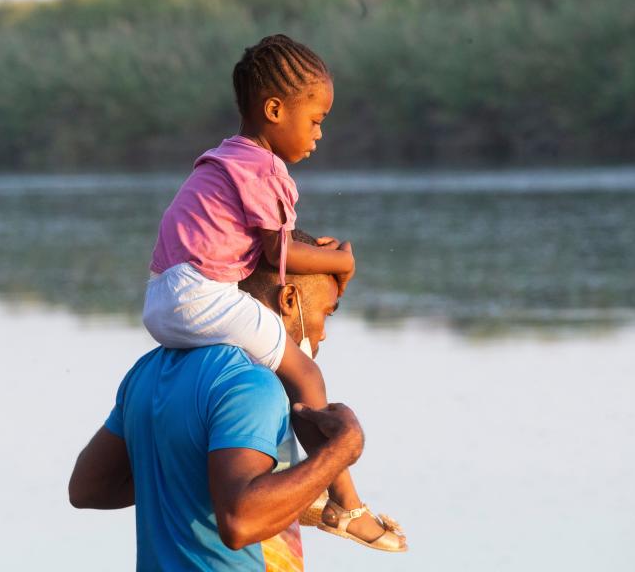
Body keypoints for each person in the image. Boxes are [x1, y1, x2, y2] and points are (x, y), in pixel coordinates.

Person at [141, 34, 406, 550]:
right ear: (274, 109)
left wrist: (320, 255)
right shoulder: (265, 169)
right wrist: (341, 260)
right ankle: (344, 504)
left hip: (161, 299)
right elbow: (274, 255)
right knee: (304, 370)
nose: (319, 133)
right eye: (316, 119)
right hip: (201, 296)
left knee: (273, 363)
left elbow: (265, 249)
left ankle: (291, 475)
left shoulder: (223, 159)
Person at [69, 232, 386, 569]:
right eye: (327, 313)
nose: (323, 333)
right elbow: (241, 523)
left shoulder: (149, 370)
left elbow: (90, 488)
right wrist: (338, 453)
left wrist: (193, 473)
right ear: (289, 299)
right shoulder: (252, 383)